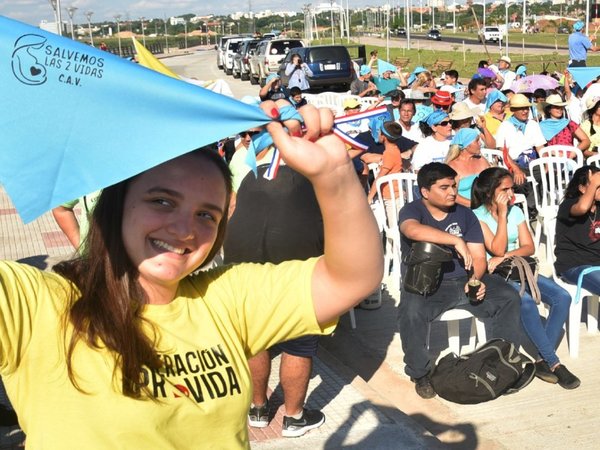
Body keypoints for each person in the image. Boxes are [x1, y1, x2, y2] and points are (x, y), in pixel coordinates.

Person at [0, 101, 384, 447]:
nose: (185, 229)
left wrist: (334, 175)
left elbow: (351, 279)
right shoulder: (37, 306)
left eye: (206, 215)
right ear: (116, 206)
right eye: (162, 201)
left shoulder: (223, 295)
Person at [397, 162, 523, 399]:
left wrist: (475, 279)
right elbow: (412, 231)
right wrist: (455, 241)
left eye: (453, 186)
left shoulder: (464, 214)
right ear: (425, 192)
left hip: (464, 282)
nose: (453, 192)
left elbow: (478, 257)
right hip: (426, 284)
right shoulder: (412, 210)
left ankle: (503, 362)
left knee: (507, 297)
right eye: (444, 187)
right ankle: (420, 373)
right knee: (410, 312)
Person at [223, 162, 326, 437]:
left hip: (245, 274)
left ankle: (257, 409)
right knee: (298, 346)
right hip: (296, 275)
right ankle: (293, 417)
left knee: (255, 341)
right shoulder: (307, 180)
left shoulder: (252, 176)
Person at [471, 168, 579, 389]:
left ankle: (540, 359)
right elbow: (496, 247)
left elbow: (528, 247)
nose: (511, 194)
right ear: (490, 191)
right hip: (496, 275)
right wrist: (501, 216)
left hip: (518, 267)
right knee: (527, 303)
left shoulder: (516, 212)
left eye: (512, 188)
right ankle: (554, 363)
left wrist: (506, 256)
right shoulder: (477, 216)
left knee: (562, 297)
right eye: (505, 189)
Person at [555, 165, 600, 295]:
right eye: (596, 186)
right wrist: (594, 184)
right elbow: (582, 208)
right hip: (574, 265)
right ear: (582, 188)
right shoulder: (569, 204)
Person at [445, 128, 489, 207]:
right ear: (466, 145)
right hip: (464, 208)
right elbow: (451, 194)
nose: (480, 144)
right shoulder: (453, 166)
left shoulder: (481, 160)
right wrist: (474, 204)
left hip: (486, 205)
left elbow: (493, 183)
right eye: (477, 141)